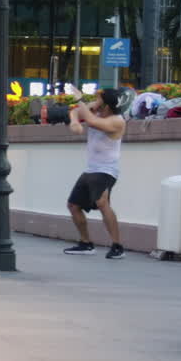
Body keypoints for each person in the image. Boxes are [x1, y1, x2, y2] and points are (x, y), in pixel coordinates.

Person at [64, 88, 127, 259]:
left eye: (98, 100)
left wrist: (80, 99)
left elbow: (90, 120)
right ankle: (86, 243)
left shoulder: (117, 121)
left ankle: (117, 246)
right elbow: (77, 112)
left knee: (102, 203)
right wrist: (74, 122)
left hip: (107, 170)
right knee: (73, 205)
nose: (95, 102)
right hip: (91, 169)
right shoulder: (98, 110)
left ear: (106, 105)